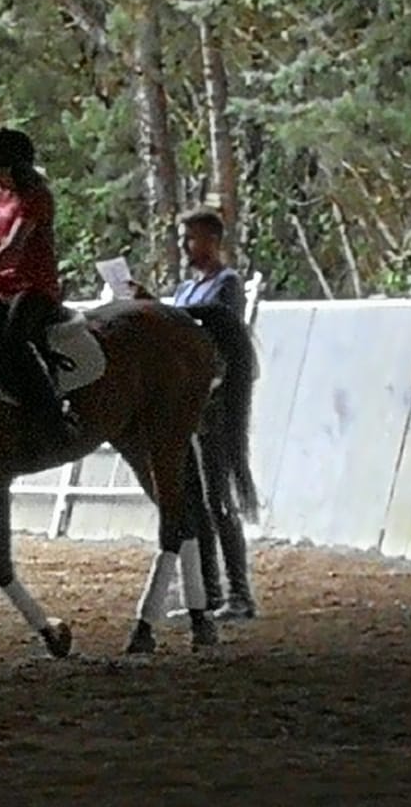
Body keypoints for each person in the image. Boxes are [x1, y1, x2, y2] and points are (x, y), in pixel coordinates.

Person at [131, 206, 257, 620]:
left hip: (216, 398)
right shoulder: (185, 291)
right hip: (186, 398)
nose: (185, 247)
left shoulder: (226, 285)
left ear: (212, 241)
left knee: (218, 497)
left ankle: (240, 593)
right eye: (183, 239)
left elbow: (218, 332)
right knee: (196, 501)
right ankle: (208, 591)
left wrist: (159, 309)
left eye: (191, 239)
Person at [0, 127, 80, 453]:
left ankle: (52, 416)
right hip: (0, 285)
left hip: (33, 287)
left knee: (13, 339)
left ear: (17, 168)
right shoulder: (0, 197)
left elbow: (12, 247)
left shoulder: (36, 197)